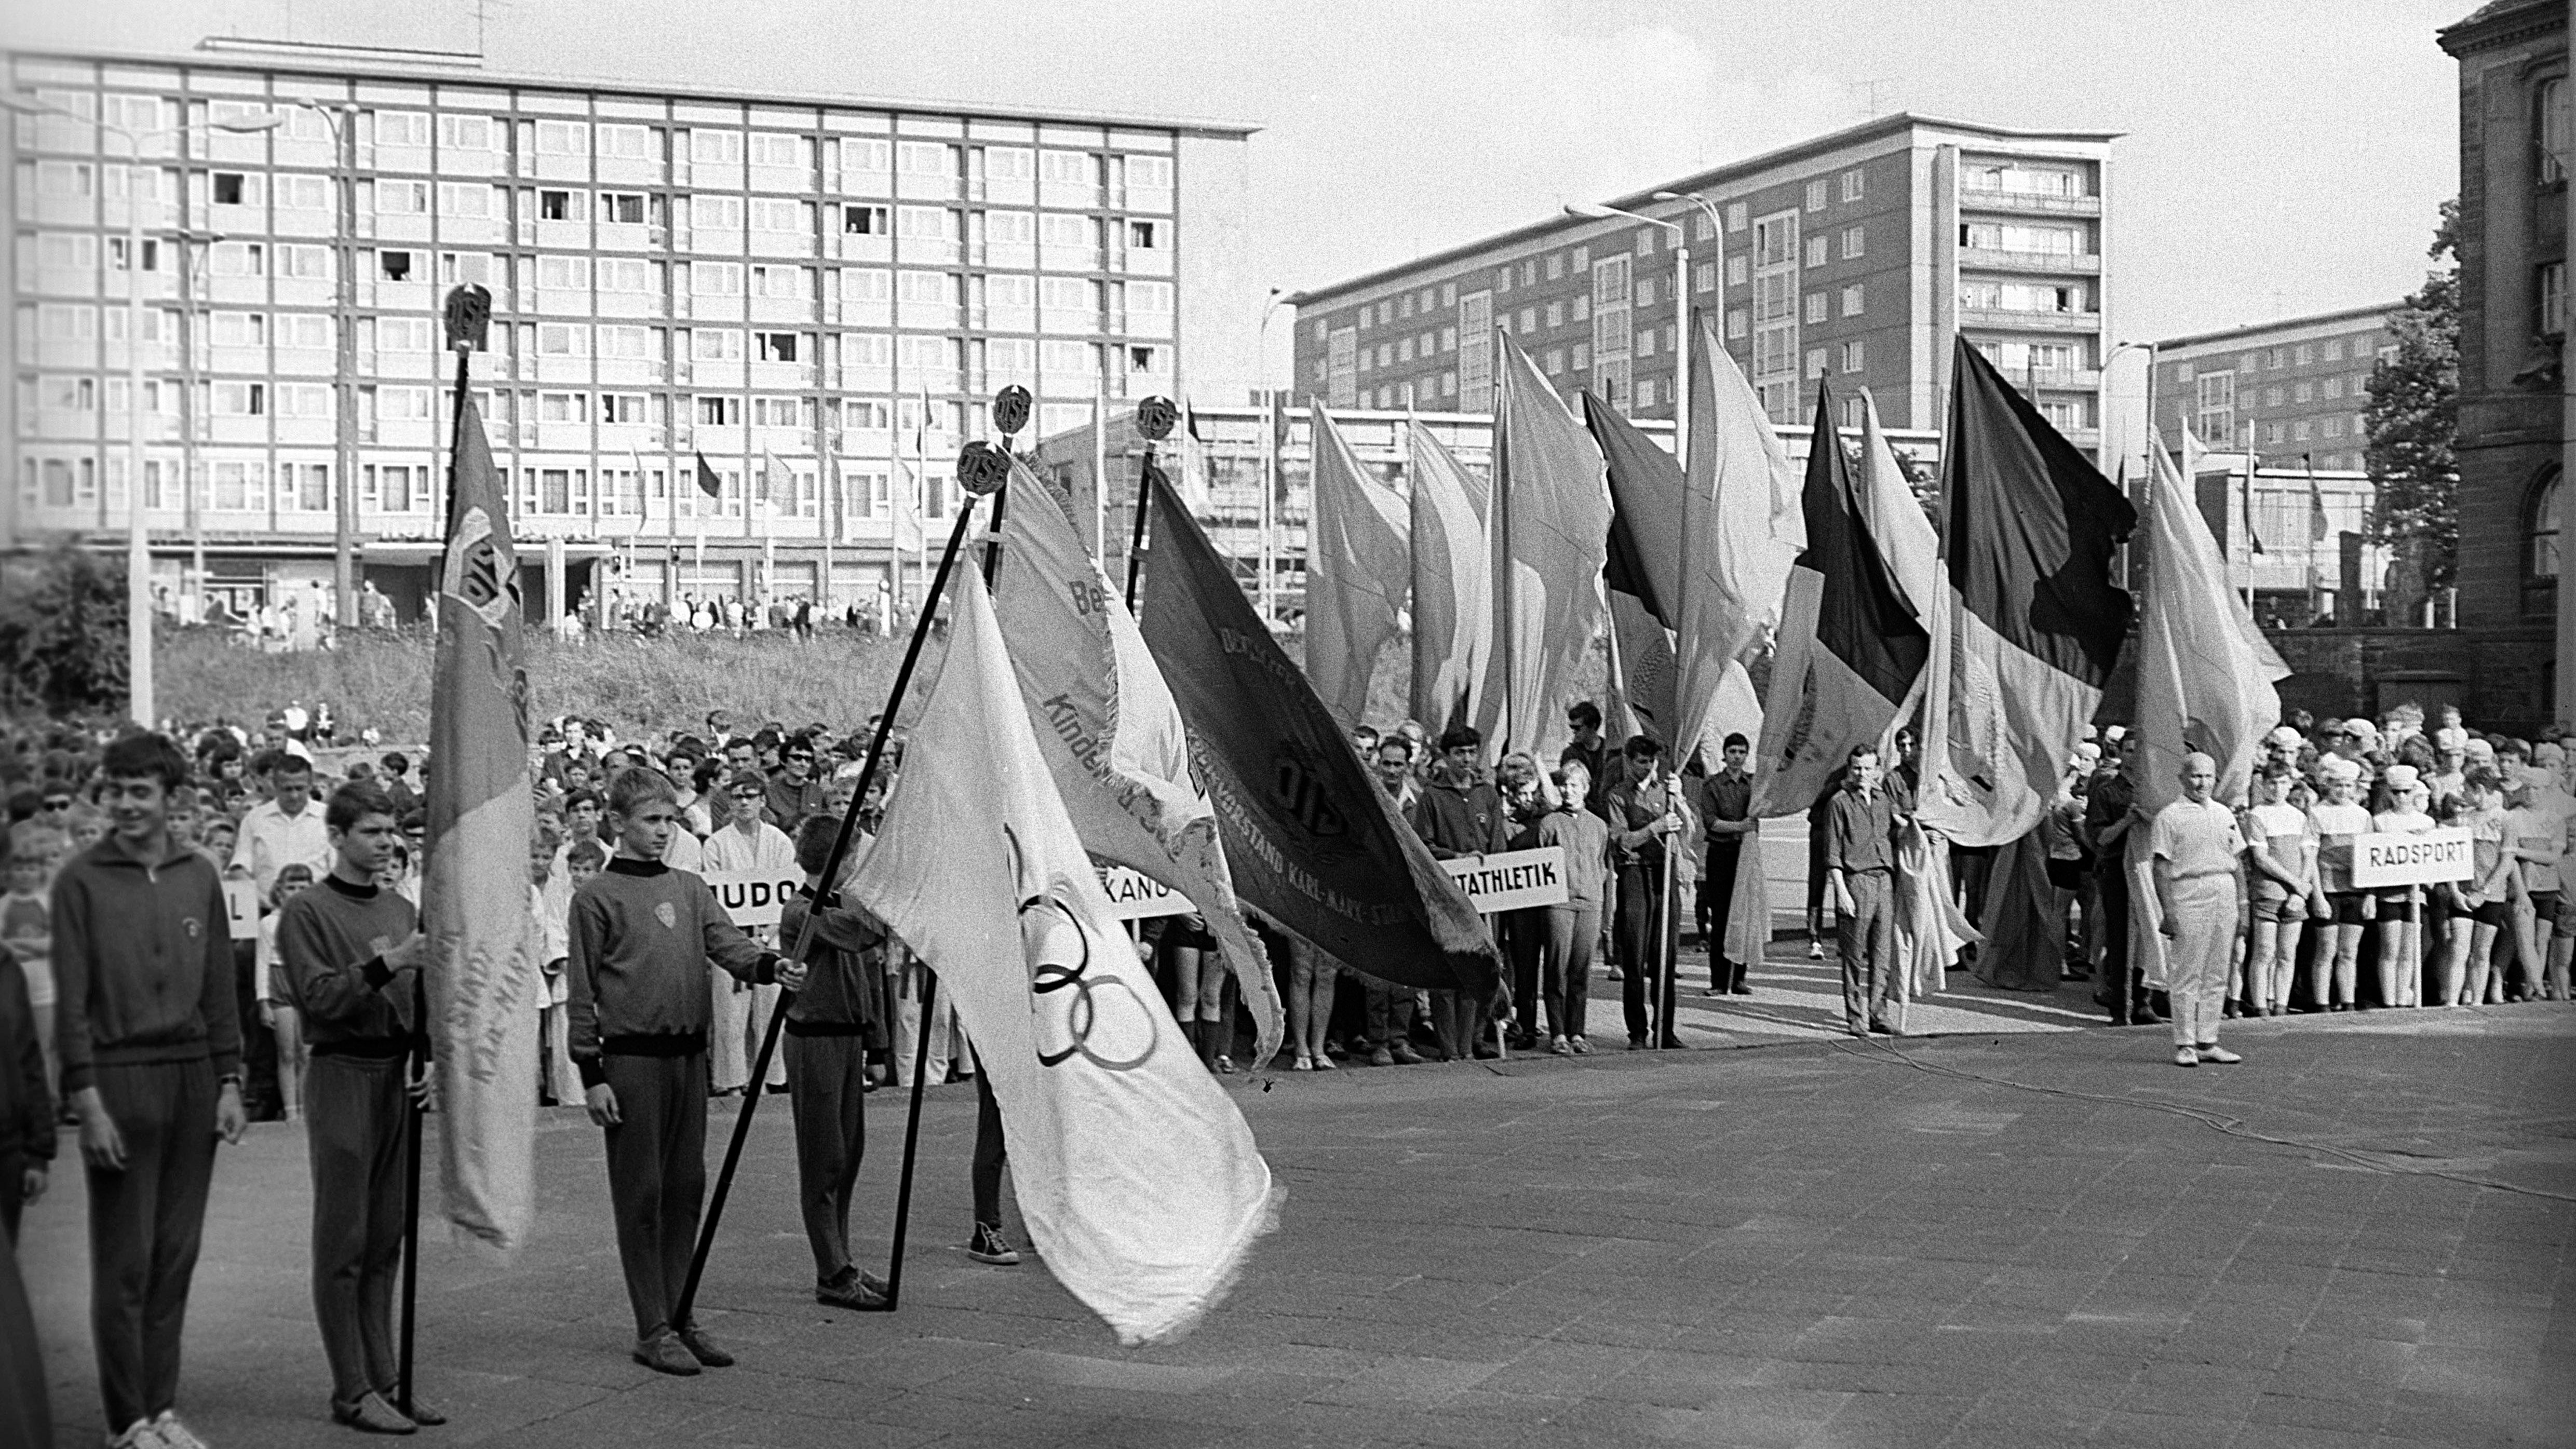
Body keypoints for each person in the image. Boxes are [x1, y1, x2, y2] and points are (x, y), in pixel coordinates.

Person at [568, 766, 803, 1376]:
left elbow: (729, 945)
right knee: (640, 1193)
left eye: (670, 819)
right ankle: (651, 1326)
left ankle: (681, 1309)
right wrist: (591, 1071)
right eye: (650, 820)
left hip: (685, 1060)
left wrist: (771, 967)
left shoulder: (692, 886)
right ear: (617, 823)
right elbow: (581, 990)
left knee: (685, 1188)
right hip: (630, 1061)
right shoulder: (595, 896)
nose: (662, 831)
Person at [52, 732, 249, 1449]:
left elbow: (221, 988)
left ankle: (162, 1407)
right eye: (116, 789)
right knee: (125, 1259)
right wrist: (87, 1097)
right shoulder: (80, 879)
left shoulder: (198, 873)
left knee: (176, 1252)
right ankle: (126, 1418)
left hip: (193, 1074)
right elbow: (72, 999)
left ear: (172, 798)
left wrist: (230, 1078)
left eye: (141, 790)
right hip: (120, 1075)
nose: (126, 803)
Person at [274, 780, 441, 1434]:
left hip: (394, 1074)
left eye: (389, 832)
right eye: (371, 832)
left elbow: (419, 993)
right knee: (343, 1238)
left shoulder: (401, 906)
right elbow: (318, 997)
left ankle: (386, 1375)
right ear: (337, 837)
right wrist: (391, 962)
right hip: (342, 1073)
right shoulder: (307, 911)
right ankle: (349, 1388)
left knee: (385, 1236)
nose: (385, 842)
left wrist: (429, 1057)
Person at [777, 815, 893, 1311]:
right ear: (839, 862)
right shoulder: (801, 911)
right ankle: (831, 1270)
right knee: (823, 1159)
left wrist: (877, 1044)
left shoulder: (839, 903)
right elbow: (863, 935)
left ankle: (840, 1256)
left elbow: (866, 976)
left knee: (848, 1155)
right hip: (816, 1040)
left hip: (846, 1039)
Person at [1411, 725, 1513, 1059]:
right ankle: (1449, 1050)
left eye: (1472, 752)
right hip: (1446, 898)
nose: (1467, 759)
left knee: (1478, 973)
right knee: (1446, 974)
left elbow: (1498, 845)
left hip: (1484, 898)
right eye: (1459, 753)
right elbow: (1423, 846)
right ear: (1446, 756)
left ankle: (1469, 1047)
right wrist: (1456, 858)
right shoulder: (1432, 797)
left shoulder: (1488, 793)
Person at [702, 772, 797, 1097]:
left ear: (763, 801)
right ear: (729, 802)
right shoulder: (716, 843)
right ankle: (732, 1082)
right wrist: (740, 937)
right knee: (730, 1015)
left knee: (771, 1014)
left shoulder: (780, 842)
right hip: (731, 940)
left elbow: (786, 893)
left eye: (750, 796)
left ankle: (770, 1080)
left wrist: (770, 932)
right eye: (737, 797)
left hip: (773, 937)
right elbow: (716, 896)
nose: (744, 803)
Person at [2151, 752, 2248, 1067]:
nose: (2202, 782)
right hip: (2188, 891)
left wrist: (2243, 906)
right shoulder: (2169, 816)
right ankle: (2186, 1042)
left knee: (2218, 970)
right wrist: (2168, 910)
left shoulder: (2224, 813)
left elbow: (2238, 864)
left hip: (2223, 889)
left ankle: (2209, 1039)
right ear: (2182, 778)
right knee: (2187, 971)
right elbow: (2162, 866)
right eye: (2195, 776)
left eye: (2208, 776)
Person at [1606, 735, 1691, 1049]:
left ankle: (1665, 1029)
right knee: (1635, 956)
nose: (1647, 767)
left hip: (1663, 873)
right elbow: (1623, 840)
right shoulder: (1618, 795)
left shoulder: (1666, 792)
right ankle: (1637, 1032)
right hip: (1634, 874)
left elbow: (1689, 830)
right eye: (1641, 761)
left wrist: (1679, 801)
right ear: (1629, 762)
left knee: (1665, 957)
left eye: (1652, 761)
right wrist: (1654, 828)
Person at [1354, 739, 1427, 1066]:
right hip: (1376, 893)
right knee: (1379, 972)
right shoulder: (1366, 799)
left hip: (1411, 897)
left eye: (1399, 765)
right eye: (1387, 764)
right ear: (1378, 763)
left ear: (1408, 767)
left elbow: (1426, 848)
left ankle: (1400, 1039)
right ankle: (1379, 1041)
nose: (1393, 771)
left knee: (1408, 971)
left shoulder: (1417, 802)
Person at [1823, 743, 1900, 1038]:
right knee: (1854, 954)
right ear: (1849, 768)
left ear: (1877, 770)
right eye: (1857, 768)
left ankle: (1879, 1013)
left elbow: (1893, 834)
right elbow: (1833, 853)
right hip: (1856, 881)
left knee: (1882, 954)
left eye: (1868, 769)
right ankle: (1856, 1016)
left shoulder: (1883, 801)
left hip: (1884, 881)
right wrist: (1841, 891)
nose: (1862, 774)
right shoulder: (1839, 803)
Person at [1535, 763, 1611, 1054]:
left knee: (1581, 970)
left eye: (1575, 785)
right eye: (1564, 785)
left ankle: (1577, 1031)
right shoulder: (1550, 823)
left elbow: (1602, 865)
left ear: (1586, 789)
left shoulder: (1598, 825)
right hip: (1559, 904)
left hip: (1590, 903)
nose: (1568, 791)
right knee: (1557, 968)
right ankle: (1558, 1034)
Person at [2238, 764, 2318, 1018]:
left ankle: (2281, 1004)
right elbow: (2261, 858)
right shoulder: (2257, 815)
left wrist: (2300, 892)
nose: (2277, 788)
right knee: (2264, 950)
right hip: (2268, 892)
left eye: (2283, 783)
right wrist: (2295, 883)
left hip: (2295, 896)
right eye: (2272, 783)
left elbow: (2309, 856)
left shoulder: (2299, 816)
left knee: (2287, 952)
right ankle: (2261, 1005)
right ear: (2263, 786)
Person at [2309, 756, 2375, 1011]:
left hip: (2356, 890)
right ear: (2328, 785)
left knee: (2349, 951)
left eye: (2348, 786)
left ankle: (2348, 1001)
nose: (2343, 791)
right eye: (2338, 785)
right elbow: (2311, 857)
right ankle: (2322, 1003)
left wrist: (2370, 895)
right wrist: (2318, 896)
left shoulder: (2363, 815)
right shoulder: (2317, 813)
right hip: (2328, 889)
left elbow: (2371, 860)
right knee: (2327, 949)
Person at [1692, 733, 1757, 995]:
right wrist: (1740, 826)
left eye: (1742, 752)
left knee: (1742, 916)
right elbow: (1711, 822)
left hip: (1745, 855)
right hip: (1720, 853)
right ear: (1725, 754)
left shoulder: (1752, 786)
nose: (1737, 757)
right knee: (1720, 918)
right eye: (1733, 751)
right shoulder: (1712, 786)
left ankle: (1739, 977)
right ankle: (1719, 981)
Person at [2370, 764, 2438, 1009]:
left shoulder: (2426, 822)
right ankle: (2389, 1000)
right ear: (2389, 792)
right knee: (2390, 948)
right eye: (2396, 792)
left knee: (2410, 949)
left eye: (2406, 792)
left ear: (2414, 792)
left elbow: (2433, 861)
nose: (2401, 797)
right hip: (2389, 893)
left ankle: (2403, 996)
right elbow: (2372, 861)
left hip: (2415, 894)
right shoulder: (2380, 821)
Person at [255, 862, 317, 1121]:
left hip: (304, 982)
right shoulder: (269, 923)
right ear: (280, 891)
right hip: (279, 981)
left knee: (306, 1051)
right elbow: (261, 961)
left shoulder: (313, 920)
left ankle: (306, 1108)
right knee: (287, 1052)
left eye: (303, 887)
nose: (296, 892)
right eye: (291, 887)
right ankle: (291, 1110)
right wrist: (264, 1000)